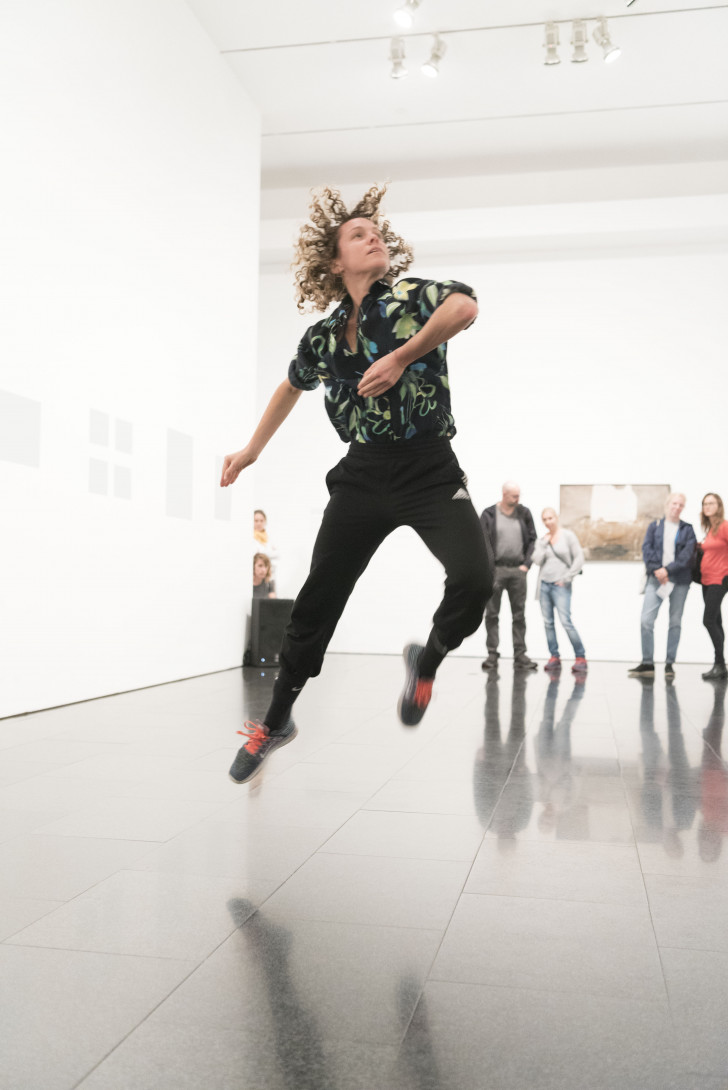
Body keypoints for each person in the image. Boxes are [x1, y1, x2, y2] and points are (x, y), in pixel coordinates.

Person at [220, 184, 492, 784]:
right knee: (317, 601)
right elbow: (292, 384)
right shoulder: (322, 337)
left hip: (429, 468)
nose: (374, 238)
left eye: (377, 232)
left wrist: (403, 355)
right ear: (335, 261)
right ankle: (277, 720)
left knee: (474, 581)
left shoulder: (409, 298)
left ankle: (429, 657)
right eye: (359, 234)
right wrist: (251, 450)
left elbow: (465, 307)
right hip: (363, 474)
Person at [628, 492, 696, 680]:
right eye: (674, 503)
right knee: (646, 620)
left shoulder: (687, 529)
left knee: (675, 622)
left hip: (679, 581)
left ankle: (669, 663)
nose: (677, 507)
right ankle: (647, 662)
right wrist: (658, 570)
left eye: (681, 505)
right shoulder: (654, 527)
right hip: (655, 579)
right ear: (667, 505)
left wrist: (668, 571)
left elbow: (688, 555)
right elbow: (646, 550)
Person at [480, 482, 537, 671]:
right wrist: (489, 569)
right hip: (496, 571)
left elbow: (532, 539)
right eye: (514, 496)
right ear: (504, 494)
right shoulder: (489, 514)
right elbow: (482, 541)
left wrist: (526, 565)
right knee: (492, 614)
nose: (517, 499)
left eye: (519, 495)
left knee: (519, 615)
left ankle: (520, 655)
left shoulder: (524, 513)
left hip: (518, 572)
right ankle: (492, 655)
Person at [532, 507, 587, 673]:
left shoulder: (568, 536)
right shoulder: (542, 540)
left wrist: (567, 578)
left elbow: (579, 558)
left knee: (566, 621)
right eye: (545, 519)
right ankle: (554, 656)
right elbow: (536, 560)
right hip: (544, 586)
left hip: (560, 586)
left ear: (556, 518)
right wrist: (542, 544)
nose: (548, 522)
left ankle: (580, 657)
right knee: (548, 623)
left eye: (550, 518)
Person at [699, 492, 728, 681]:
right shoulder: (710, 529)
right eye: (704, 503)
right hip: (706, 580)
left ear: (719, 505)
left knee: (708, 620)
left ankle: (720, 664)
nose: (707, 506)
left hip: (720, 578)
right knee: (716, 622)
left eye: (711, 503)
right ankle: (720, 667)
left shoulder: (725, 527)